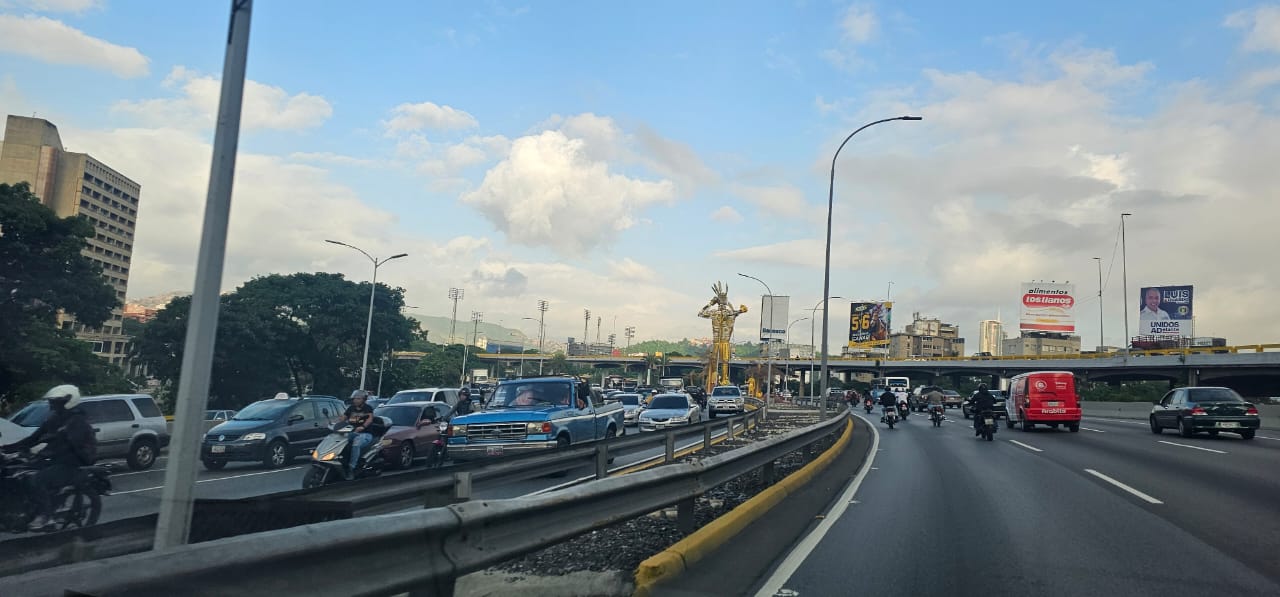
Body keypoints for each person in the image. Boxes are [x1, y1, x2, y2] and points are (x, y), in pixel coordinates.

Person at [1, 385, 96, 531]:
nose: (51, 405)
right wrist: (6, 448)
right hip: (53, 460)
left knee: (35, 480)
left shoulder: (77, 421)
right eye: (52, 402)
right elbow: (33, 438)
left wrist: (44, 452)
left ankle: (46, 516)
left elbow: (69, 447)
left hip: (73, 463)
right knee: (13, 472)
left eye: (55, 402)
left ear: (67, 401)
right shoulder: (54, 418)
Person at [341, 390, 376, 479]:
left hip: (365, 433)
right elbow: (343, 418)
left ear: (363, 399)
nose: (355, 400)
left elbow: (369, 419)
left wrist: (363, 426)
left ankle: (352, 468)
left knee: (356, 443)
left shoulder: (368, 408)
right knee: (340, 440)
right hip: (352, 432)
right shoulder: (350, 408)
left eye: (358, 399)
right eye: (354, 399)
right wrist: (334, 424)